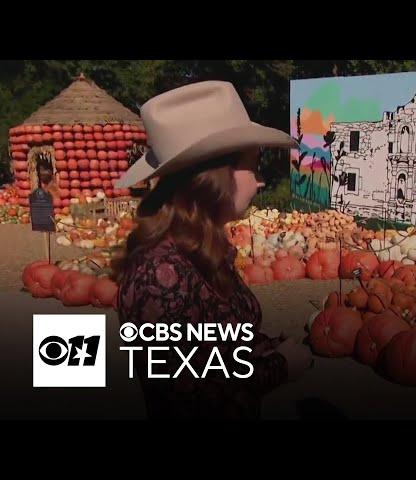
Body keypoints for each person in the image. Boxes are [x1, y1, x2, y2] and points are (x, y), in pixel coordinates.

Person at [111, 81, 312, 419]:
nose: (260, 181)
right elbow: (191, 392)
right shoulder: (159, 275)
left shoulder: (198, 249)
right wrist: (280, 366)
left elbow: (219, 345)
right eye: (254, 165)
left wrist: (269, 346)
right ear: (219, 176)